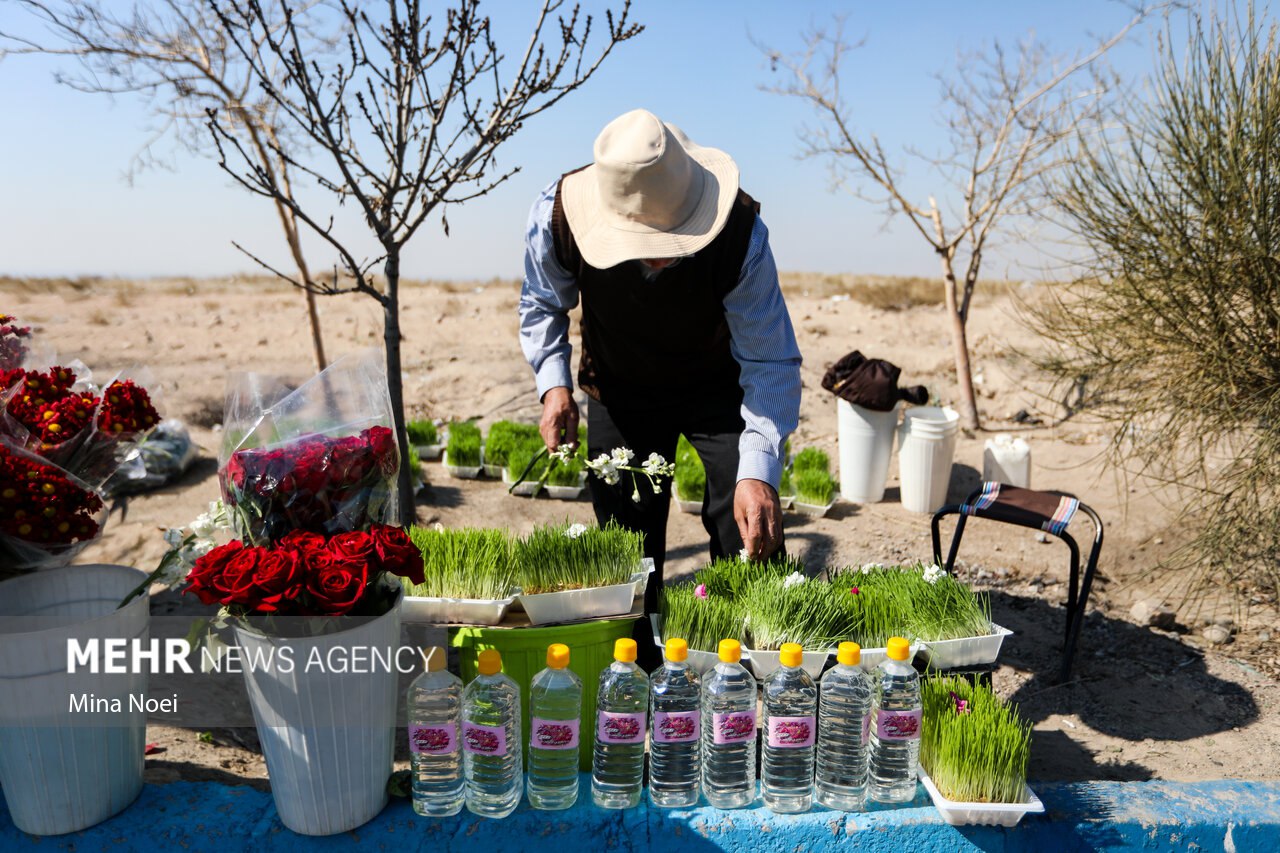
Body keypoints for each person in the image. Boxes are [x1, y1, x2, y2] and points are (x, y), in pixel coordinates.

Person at [518, 108, 801, 662]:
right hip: (621, 387)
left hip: (718, 386)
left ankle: (752, 674)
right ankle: (644, 674)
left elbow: (769, 361)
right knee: (629, 547)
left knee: (748, 527)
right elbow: (542, 303)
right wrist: (555, 387)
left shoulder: (741, 232)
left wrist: (759, 470)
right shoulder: (555, 218)